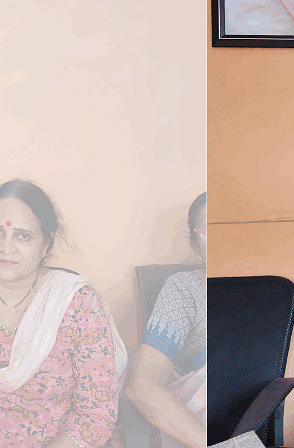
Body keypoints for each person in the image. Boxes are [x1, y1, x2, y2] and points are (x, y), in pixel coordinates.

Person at [0, 179, 127, 448]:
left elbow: (96, 415)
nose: (6, 246)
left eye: (23, 236)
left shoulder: (75, 303)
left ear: (46, 244)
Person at [125, 192, 207, 448]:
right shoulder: (185, 289)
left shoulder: (270, 292)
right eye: (208, 230)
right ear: (194, 243)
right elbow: (142, 385)